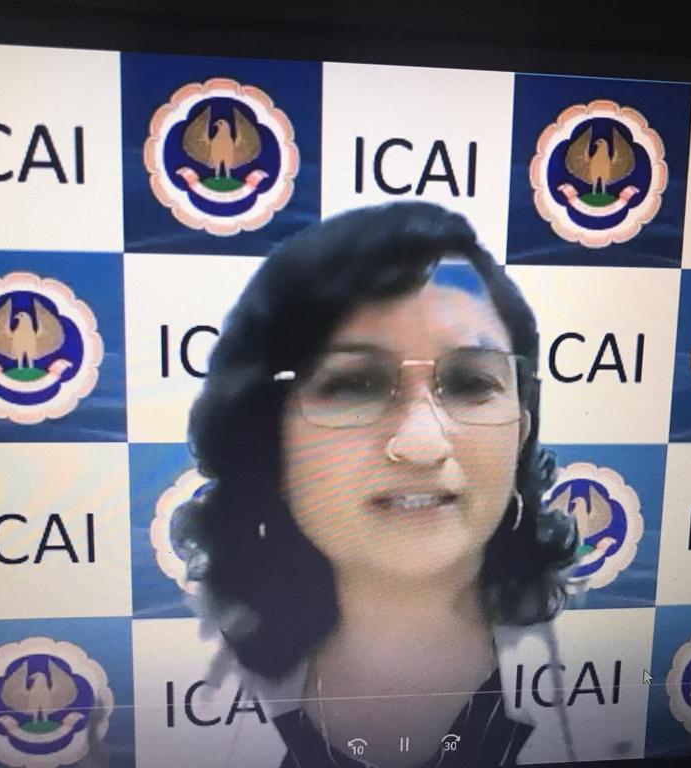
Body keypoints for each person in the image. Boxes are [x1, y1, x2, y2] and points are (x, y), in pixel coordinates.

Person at [175, 201, 578, 768]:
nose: (421, 443)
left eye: (470, 382)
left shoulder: (625, 656)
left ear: (522, 430)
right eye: (354, 385)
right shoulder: (155, 681)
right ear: (269, 438)